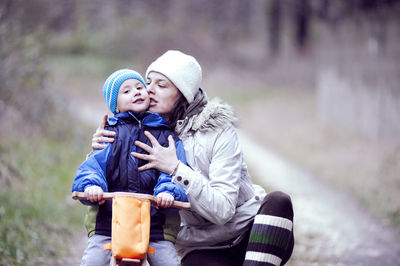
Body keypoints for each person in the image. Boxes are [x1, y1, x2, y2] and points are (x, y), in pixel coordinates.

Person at [92, 51, 294, 266]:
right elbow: (116, 183)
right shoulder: (141, 135)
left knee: (278, 201)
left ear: (183, 94)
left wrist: (176, 168)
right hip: (203, 246)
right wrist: (101, 148)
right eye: (148, 81)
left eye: (162, 85)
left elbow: (223, 210)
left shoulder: (218, 131)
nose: (149, 90)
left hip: (250, 231)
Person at [72, 68, 188, 266]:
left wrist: (168, 191)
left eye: (139, 87)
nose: (135, 92)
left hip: (155, 224)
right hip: (109, 222)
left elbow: (174, 170)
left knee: (167, 261)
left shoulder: (166, 135)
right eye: (126, 91)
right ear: (115, 106)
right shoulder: (109, 135)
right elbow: (93, 166)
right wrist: (91, 186)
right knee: (93, 260)